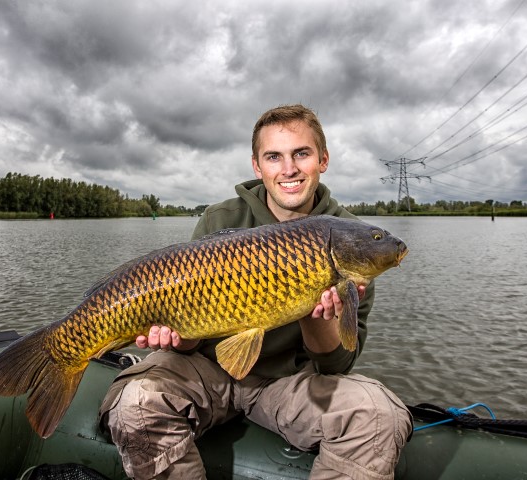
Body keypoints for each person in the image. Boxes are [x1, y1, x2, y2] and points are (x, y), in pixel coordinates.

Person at [99, 104, 412, 479]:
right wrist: (175, 340)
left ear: (323, 159)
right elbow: (191, 340)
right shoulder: (221, 220)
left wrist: (317, 318)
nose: (289, 168)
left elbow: (337, 367)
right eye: (274, 157)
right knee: (135, 402)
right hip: (210, 371)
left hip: (288, 384)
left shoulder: (350, 237)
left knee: (380, 419)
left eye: (302, 153)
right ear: (257, 166)